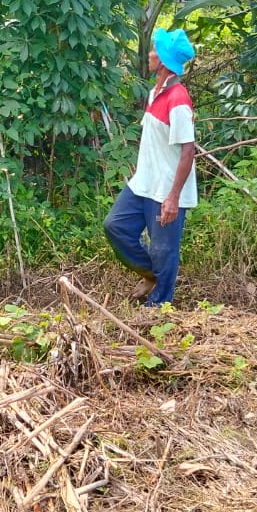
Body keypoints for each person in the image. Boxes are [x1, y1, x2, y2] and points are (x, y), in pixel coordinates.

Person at [103, 27, 198, 307]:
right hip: (144, 183)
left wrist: (173, 197)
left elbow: (188, 150)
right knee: (115, 226)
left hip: (167, 190)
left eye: (155, 50)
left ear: (165, 61)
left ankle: (158, 306)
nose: (150, 54)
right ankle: (151, 274)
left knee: (163, 249)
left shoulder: (178, 100)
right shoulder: (154, 92)